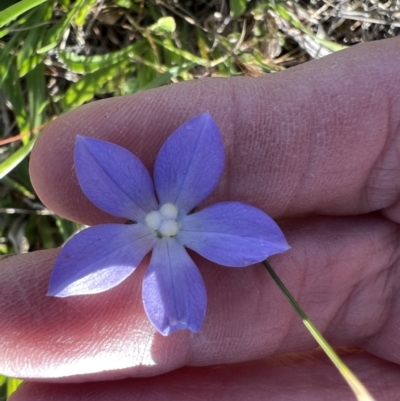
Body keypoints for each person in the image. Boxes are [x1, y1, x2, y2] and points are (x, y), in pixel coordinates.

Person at [3, 37, 400, 400]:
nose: (164, 223)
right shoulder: (109, 183)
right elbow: (91, 161)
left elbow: (257, 239)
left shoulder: (200, 182)